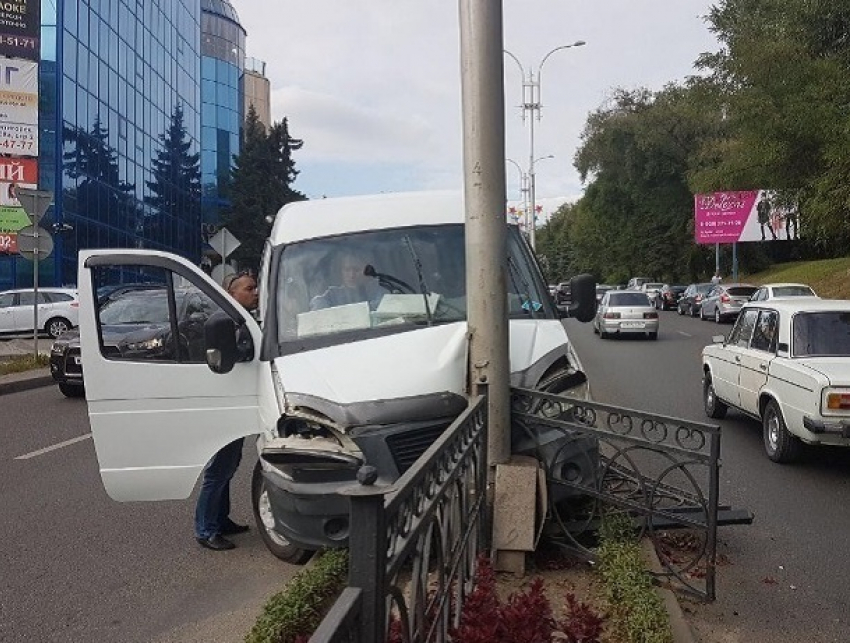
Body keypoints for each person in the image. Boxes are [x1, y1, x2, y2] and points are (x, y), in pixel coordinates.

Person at [194, 271, 259, 551]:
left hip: (237, 402)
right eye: (249, 288)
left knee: (230, 465)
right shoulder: (224, 322)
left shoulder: (242, 320)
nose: (255, 292)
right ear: (231, 295)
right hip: (222, 404)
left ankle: (221, 519)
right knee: (219, 469)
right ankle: (206, 529)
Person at [310, 252, 384, 310]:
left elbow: (383, 305)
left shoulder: (377, 290)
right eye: (347, 270)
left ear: (367, 272)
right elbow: (318, 305)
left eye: (357, 270)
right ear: (341, 272)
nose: (351, 275)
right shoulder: (333, 294)